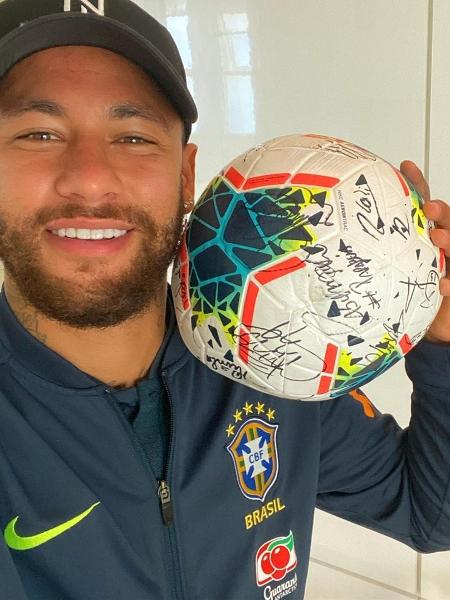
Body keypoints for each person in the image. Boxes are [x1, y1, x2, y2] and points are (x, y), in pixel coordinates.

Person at [0, 1, 450, 599]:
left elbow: (431, 513)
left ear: (188, 176)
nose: (89, 177)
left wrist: (443, 344)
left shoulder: (267, 355)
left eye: (133, 136)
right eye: (39, 133)